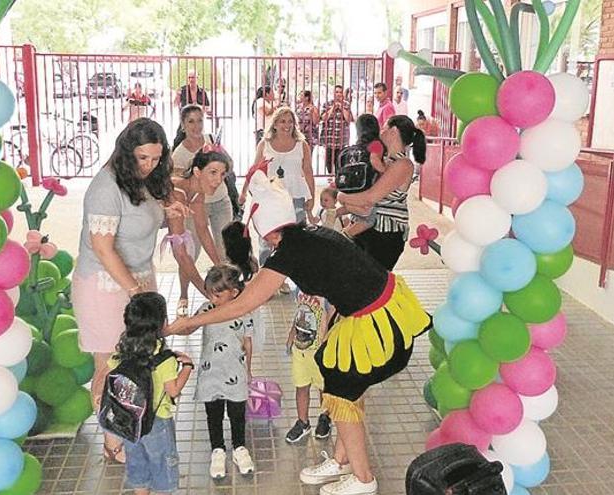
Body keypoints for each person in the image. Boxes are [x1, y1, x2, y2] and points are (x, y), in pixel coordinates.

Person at [166, 169, 431, 495]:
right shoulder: (309, 233)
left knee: (342, 389)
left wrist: (190, 323)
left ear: (264, 230)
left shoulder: (288, 252)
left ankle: (364, 479)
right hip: (385, 311)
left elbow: (243, 303)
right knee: (342, 387)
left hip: (376, 323)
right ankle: (341, 460)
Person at [71, 118, 188, 463]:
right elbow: (103, 247)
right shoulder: (105, 187)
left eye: (155, 158)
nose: (149, 165)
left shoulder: (142, 181)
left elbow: (138, 219)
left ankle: (132, 425)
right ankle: (112, 442)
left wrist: (167, 212)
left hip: (137, 282)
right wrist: (136, 291)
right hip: (104, 288)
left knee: (141, 363)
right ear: (126, 152)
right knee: (110, 365)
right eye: (142, 158)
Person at [113, 292, 194, 495]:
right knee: (162, 466)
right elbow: (173, 390)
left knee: (137, 463)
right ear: (162, 323)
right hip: (157, 421)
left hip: (130, 420)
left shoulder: (122, 351)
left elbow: (108, 374)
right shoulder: (164, 359)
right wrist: (187, 367)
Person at [184, 264, 256, 479]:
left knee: (237, 414)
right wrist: (175, 326)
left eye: (218, 294)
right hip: (211, 373)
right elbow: (190, 327)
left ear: (234, 293)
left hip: (235, 371)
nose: (213, 299)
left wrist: (248, 369)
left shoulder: (244, 312)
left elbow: (247, 342)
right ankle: (217, 450)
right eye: (210, 294)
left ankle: (239, 448)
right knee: (213, 414)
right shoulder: (206, 309)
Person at [338, 115, 426, 271]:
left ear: (393, 131)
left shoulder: (403, 164)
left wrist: (341, 197)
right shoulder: (382, 160)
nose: (380, 131)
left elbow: (370, 198)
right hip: (368, 230)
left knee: (372, 286)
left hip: (384, 234)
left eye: (384, 127)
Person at [166, 147, 233, 317]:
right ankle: (183, 296)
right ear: (197, 171)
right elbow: (180, 254)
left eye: (223, 174)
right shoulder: (177, 192)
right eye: (213, 172)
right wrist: (208, 294)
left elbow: (202, 230)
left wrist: (221, 267)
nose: (218, 180)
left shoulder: (197, 192)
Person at [250, 106, 316, 264]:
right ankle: (267, 275)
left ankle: (295, 275)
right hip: (270, 198)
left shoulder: (302, 145)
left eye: (290, 122)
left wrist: (312, 197)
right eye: (282, 121)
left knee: (295, 238)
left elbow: (308, 172)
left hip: (296, 196)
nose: (286, 125)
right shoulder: (264, 144)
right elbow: (255, 171)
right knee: (267, 238)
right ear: (274, 124)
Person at [284, 287, 332, 444]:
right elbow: (299, 314)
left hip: (319, 352)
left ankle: (325, 417)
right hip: (301, 350)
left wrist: (325, 346)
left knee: (323, 388)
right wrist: (291, 335)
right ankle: (303, 422)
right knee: (301, 386)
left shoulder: (328, 292)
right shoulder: (301, 288)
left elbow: (331, 317)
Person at [339, 114, 385, 241]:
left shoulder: (356, 146)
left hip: (351, 188)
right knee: (369, 218)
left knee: (358, 214)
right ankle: (345, 235)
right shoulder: (376, 144)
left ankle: (341, 214)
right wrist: (386, 172)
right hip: (366, 187)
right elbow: (374, 160)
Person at [320, 85, 354, 175]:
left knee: (340, 161)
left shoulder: (346, 104)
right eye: (336, 92)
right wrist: (332, 108)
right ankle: (330, 176)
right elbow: (323, 118)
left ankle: (338, 178)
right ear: (333, 93)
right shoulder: (327, 104)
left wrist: (342, 108)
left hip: (341, 139)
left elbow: (349, 119)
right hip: (329, 138)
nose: (338, 94)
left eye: (340, 92)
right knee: (328, 160)